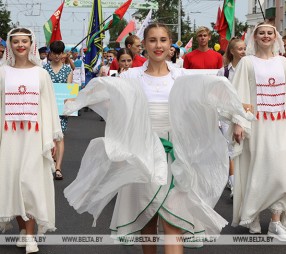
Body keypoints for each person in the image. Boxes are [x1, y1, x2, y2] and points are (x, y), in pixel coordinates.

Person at [63, 23, 252, 254]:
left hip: (177, 154)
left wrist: (237, 107)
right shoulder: (131, 75)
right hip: (142, 153)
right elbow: (107, 93)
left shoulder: (181, 75)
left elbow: (210, 96)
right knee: (147, 220)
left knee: (174, 222)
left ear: (170, 45)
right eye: (152, 40)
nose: (158, 45)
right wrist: (76, 101)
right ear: (144, 45)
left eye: (163, 40)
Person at [231, 22, 286, 242]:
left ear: (276, 37)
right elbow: (239, 94)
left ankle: (275, 222)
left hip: (280, 124)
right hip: (257, 126)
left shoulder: (283, 63)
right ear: (255, 37)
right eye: (261, 32)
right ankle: (251, 216)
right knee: (258, 170)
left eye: (269, 32)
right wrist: (239, 122)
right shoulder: (246, 63)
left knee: (281, 171)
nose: (265, 35)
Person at [0, 27, 62, 253]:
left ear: (31, 44)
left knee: (30, 182)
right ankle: (24, 232)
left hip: (35, 136)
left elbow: (49, 106)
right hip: (10, 135)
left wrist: (52, 138)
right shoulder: (3, 72)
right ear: (10, 45)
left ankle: (32, 235)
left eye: (24, 41)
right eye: (15, 41)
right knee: (14, 182)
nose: (20, 45)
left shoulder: (41, 73)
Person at [217, 38, 246, 199]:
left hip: (245, 115)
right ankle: (235, 185)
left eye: (244, 48)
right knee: (231, 150)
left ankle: (242, 183)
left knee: (244, 150)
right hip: (228, 116)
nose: (243, 51)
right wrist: (219, 118)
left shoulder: (250, 70)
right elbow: (218, 95)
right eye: (240, 49)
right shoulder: (224, 72)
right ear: (232, 51)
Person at [44, 40, 73, 180]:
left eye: (59, 53)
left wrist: (69, 104)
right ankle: (50, 162)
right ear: (50, 54)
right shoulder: (44, 69)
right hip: (46, 106)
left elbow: (69, 89)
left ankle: (58, 167)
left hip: (61, 108)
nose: (56, 56)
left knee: (60, 136)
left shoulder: (68, 69)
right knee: (48, 136)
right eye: (54, 53)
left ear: (63, 54)